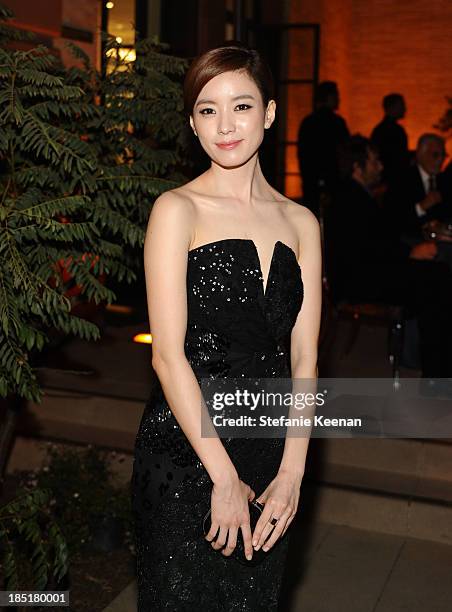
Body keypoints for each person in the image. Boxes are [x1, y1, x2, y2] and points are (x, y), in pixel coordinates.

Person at [131, 43, 322, 611]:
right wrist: (222, 477)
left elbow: (306, 359)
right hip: (188, 455)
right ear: (192, 123)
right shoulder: (177, 210)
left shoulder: (303, 223)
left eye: (241, 106)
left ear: (268, 112)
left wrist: (291, 473)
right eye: (207, 110)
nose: (225, 125)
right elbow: (168, 356)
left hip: (269, 457)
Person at [326, 135, 452, 387]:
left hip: (370, 271)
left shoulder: (358, 195)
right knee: (436, 281)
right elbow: (367, 249)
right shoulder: (350, 199)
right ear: (358, 167)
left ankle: (432, 370)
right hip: (359, 280)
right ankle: (435, 376)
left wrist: (412, 250)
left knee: (436, 277)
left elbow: (381, 239)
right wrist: (410, 253)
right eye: (374, 161)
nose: (380, 166)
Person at [297, 81, 350, 218]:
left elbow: (302, 155)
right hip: (334, 182)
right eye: (336, 95)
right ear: (329, 97)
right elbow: (343, 153)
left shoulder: (308, 122)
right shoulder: (337, 123)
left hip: (311, 182)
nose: (339, 99)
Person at [386, 133, 451, 237]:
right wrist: (421, 207)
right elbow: (393, 219)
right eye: (435, 155)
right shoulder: (401, 180)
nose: (441, 160)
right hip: (410, 241)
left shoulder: (445, 181)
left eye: (443, 155)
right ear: (420, 154)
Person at [370, 93, 410, 188]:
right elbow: (396, 157)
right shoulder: (394, 130)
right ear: (392, 107)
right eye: (401, 105)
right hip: (393, 180)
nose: (405, 109)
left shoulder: (379, 130)